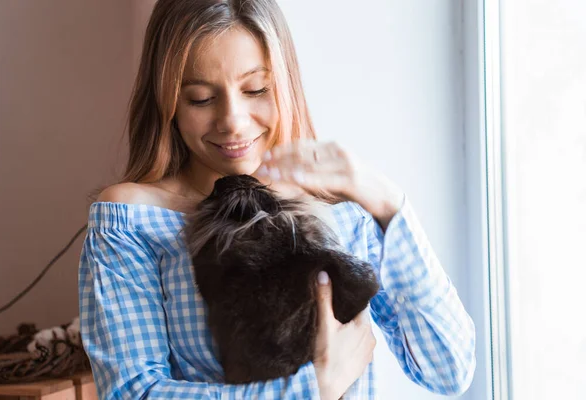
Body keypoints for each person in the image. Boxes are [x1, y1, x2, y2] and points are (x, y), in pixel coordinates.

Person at [78, 0, 476, 399]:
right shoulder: (134, 220)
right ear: (168, 102)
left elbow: (448, 371)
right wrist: (314, 387)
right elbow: (133, 392)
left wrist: (385, 201)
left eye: (256, 89)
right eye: (200, 98)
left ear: (285, 83)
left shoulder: (347, 213)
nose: (232, 120)